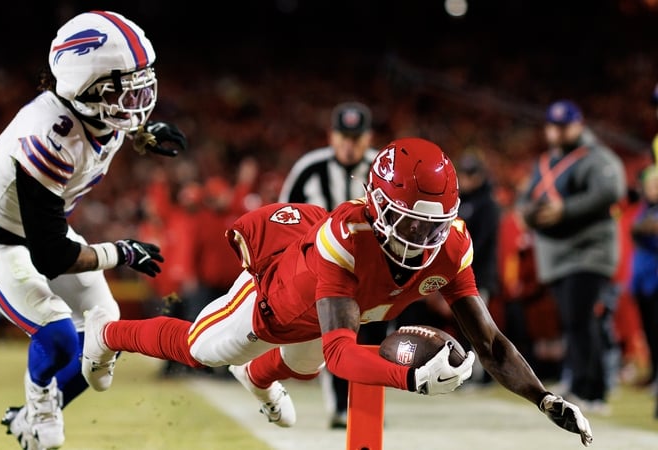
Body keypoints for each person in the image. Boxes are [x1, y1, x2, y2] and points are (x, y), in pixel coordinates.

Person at [82, 137, 593, 447]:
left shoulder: (451, 245)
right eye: (408, 224)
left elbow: (491, 344)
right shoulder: (347, 238)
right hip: (273, 300)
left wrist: (544, 398)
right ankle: (107, 334)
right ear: (377, 206)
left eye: (432, 227)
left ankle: (257, 377)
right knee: (202, 349)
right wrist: (409, 377)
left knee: (302, 365)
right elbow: (342, 355)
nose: (421, 240)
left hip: (327, 317)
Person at [0, 11, 186, 450]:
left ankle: (31, 416)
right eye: (125, 87)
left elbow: (110, 123)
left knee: (104, 340)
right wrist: (121, 252)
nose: (138, 98)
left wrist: (142, 133)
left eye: (142, 82)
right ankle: (39, 403)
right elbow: (52, 256)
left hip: (45, 232)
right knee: (59, 338)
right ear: (86, 87)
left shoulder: (98, 111)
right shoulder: (48, 137)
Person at [277, 100, 387, 428]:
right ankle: (341, 406)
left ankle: (366, 409)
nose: (349, 145)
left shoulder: (383, 169)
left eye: (356, 138)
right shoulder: (309, 168)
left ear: (368, 138)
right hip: (324, 270)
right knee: (338, 335)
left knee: (372, 339)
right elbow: (283, 217)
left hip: (374, 272)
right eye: (343, 137)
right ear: (331, 136)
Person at [519, 99, 626, 414]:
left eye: (565, 126)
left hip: (589, 252)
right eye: (554, 126)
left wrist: (565, 210)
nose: (558, 132)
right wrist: (529, 214)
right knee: (574, 321)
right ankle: (584, 383)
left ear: (579, 125)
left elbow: (610, 190)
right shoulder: (545, 162)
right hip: (558, 256)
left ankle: (590, 388)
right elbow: (525, 200)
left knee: (582, 320)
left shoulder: (596, 157)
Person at [455, 151, 501, 384]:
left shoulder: (488, 204)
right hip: (459, 274)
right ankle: (465, 373)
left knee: (479, 327)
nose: (467, 178)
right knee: (464, 325)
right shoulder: (458, 202)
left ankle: (481, 375)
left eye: (471, 174)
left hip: (479, 275)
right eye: (464, 173)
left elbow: (481, 244)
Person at [629, 165, 658, 418]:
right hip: (643, 280)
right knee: (649, 332)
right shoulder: (643, 209)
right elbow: (636, 230)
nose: (653, 190)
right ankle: (654, 373)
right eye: (650, 185)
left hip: (655, 279)